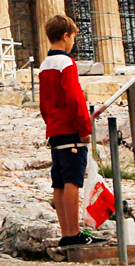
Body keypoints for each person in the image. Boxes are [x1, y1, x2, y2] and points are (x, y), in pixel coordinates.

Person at [39, 15, 101, 247]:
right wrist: (84, 128)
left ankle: (66, 233)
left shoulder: (45, 65)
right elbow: (75, 98)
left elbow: (44, 102)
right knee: (73, 180)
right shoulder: (66, 63)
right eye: (73, 37)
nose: (73, 42)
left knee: (59, 182)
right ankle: (74, 234)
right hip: (70, 130)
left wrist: (50, 123)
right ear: (65, 36)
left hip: (54, 130)